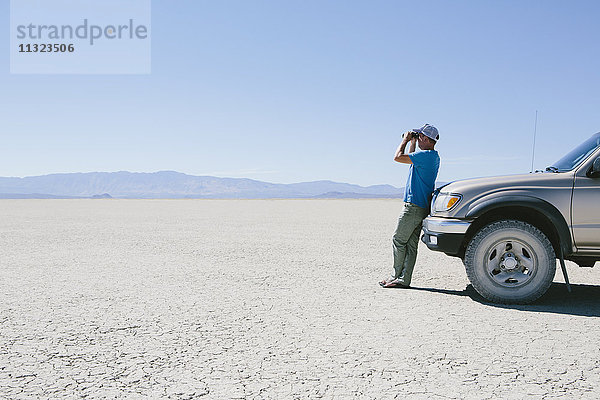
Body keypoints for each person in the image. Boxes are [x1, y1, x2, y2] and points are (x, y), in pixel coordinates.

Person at [380, 124, 440, 288]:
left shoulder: (425, 156)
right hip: (422, 206)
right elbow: (411, 157)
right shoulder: (431, 156)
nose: (418, 138)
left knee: (398, 240)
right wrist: (413, 141)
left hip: (412, 206)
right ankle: (403, 279)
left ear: (425, 139)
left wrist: (406, 140)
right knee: (411, 245)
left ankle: (395, 276)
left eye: (420, 136)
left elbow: (398, 157)